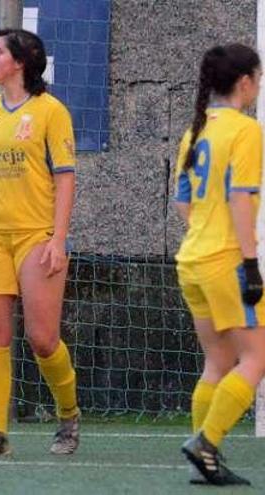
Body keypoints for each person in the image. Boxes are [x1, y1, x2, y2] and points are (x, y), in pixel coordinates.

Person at [0, 29, 79, 456]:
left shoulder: (51, 111)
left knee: (42, 338)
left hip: (35, 235)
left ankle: (68, 417)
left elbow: (65, 178)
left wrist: (58, 239)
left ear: (21, 61)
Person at [174, 43, 264, 487]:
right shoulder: (246, 130)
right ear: (245, 82)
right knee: (256, 359)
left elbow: (182, 202)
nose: (259, 87)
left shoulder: (196, 130)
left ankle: (202, 459)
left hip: (191, 260)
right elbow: (240, 198)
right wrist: (250, 263)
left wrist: (206, 233)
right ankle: (205, 444)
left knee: (218, 361)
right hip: (225, 261)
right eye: (259, 79)